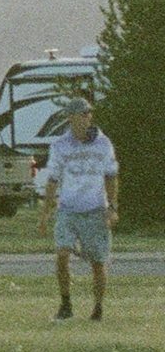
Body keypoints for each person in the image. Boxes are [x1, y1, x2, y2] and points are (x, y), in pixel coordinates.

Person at [43, 96, 118, 320]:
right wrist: (46, 212)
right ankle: (66, 304)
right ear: (71, 117)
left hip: (95, 209)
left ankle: (98, 307)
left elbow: (112, 175)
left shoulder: (103, 144)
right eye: (82, 114)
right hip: (68, 209)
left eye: (88, 113)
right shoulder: (60, 146)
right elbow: (53, 179)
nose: (87, 117)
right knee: (62, 254)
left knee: (97, 261)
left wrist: (112, 207)